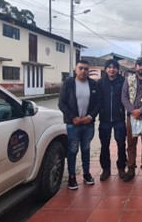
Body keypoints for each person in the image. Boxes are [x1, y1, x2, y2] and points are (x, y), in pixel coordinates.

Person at [58, 60, 101, 190]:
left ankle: (86, 173)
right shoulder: (68, 84)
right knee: (72, 150)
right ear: (75, 69)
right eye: (81, 68)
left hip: (88, 124)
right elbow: (62, 103)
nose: (83, 71)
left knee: (86, 149)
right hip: (73, 124)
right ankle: (71, 175)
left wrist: (90, 116)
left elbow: (98, 103)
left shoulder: (93, 84)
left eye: (86, 69)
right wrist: (73, 118)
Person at [97, 59, 127, 181]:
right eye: (109, 67)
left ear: (117, 69)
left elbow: (126, 97)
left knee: (121, 144)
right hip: (104, 119)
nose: (111, 69)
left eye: (114, 67)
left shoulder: (123, 82)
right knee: (104, 145)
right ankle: (106, 169)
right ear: (106, 69)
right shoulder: (100, 83)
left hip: (119, 118)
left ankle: (121, 168)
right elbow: (96, 100)